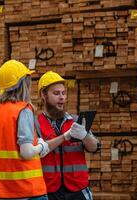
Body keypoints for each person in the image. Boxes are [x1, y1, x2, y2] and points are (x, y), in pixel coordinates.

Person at [0, 60, 49, 200]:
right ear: (24, 84)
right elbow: (26, 152)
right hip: (28, 190)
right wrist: (41, 146)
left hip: (1, 193)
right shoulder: (23, 110)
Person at [35, 71, 100, 200]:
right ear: (43, 95)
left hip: (78, 190)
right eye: (56, 93)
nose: (62, 97)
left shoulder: (76, 121)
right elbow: (37, 151)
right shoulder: (35, 124)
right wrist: (64, 137)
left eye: (63, 93)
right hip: (49, 191)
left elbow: (94, 147)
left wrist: (85, 135)